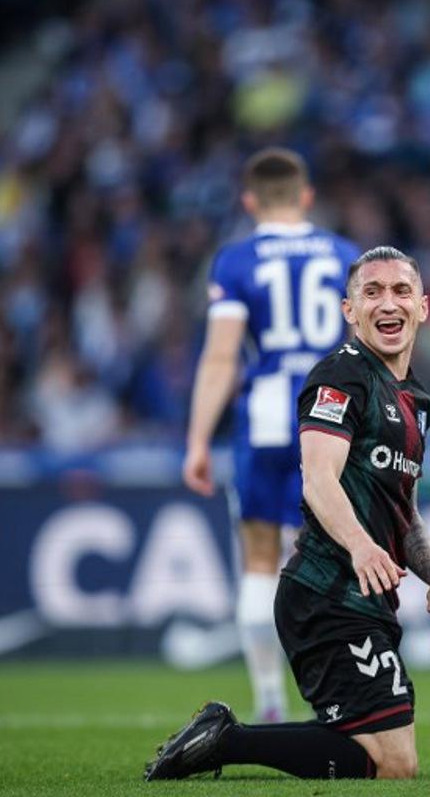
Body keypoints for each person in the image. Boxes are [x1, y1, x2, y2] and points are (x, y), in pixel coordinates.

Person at [147, 245, 430, 781]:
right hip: (327, 594)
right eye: (372, 292)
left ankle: (225, 738)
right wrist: (360, 545)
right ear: (349, 310)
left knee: (380, 760)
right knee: (397, 765)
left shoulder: (417, 401)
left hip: (365, 596)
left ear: (423, 307)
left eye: (402, 291)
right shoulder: (340, 376)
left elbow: (406, 510)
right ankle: (228, 739)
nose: (389, 303)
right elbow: (318, 479)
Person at [181, 147, 359, 722]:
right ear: (306, 197)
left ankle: (270, 702)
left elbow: (220, 357)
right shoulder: (345, 256)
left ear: (250, 201)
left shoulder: (234, 262)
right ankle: (340, 700)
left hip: (263, 421)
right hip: (331, 417)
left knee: (259, 559)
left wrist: (198, 440)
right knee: (332, 560)